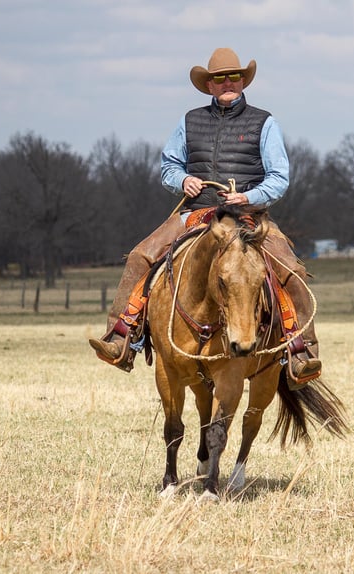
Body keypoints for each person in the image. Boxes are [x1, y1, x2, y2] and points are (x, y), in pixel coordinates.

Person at [88, 47, 321, 387]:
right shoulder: (189, 121)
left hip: (247, 218)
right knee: (140, 256)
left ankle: (302, 353)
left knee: (292, 269)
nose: (228, 83)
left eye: (233, 77)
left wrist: (248, 196)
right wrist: (183, 179)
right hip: (196, 214)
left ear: (243, 81)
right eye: (219, 78)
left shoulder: (264, 122)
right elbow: (169, 165)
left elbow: (279, 178)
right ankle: (121, 338)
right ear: (209, 85)